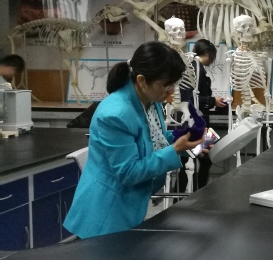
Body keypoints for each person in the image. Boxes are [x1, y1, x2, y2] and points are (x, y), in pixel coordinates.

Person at [63, 42, 205, 239]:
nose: (171, 92)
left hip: (131, 204)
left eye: (173, 85)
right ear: (141, 80)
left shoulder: (150, 101)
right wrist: (174, 151)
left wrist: (184, 138)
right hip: (106, 215)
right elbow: (129, 172)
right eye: (165, 86)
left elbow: (153, 139)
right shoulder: (115, 115)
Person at [178, 39, 227, 190]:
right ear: (207, 53)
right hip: (193, 123)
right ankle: (193, 194)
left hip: (198, 121)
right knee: (195, 160)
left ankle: (185, 194)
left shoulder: (197, 69)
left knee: (195, 160)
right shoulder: (195, 69)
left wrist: (215, 103)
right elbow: (190, 99)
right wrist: (212, 101)